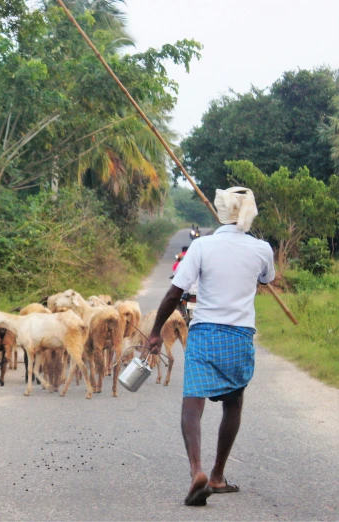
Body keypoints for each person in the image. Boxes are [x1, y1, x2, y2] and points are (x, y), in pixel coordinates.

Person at [147, 187, 275, 507]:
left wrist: (154, 332)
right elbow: (266, 278)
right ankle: (217, 476)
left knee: (193, 402)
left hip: (204, 333)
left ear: (220, 213)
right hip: (240, 336)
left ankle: (197, 472)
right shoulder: (262, 249)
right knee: (233, 403)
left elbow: (174, 294)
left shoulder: (202, 245)